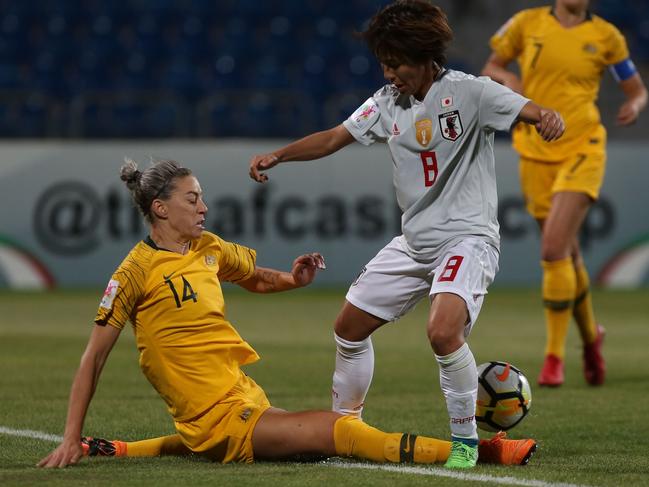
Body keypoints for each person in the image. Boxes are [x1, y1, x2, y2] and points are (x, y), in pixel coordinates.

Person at [38, 158, 536, 469]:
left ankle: (121, 449)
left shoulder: (207, 248)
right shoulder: (134, 272)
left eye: (203, 197)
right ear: (160, 208)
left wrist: (292, 279)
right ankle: (477, 452)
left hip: (241, 397)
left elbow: (253, 276)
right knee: (338, 432)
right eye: (193, 199)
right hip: (218, 418)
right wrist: (66, 438)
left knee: (306, 440)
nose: (204, 207)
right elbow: (94, 357)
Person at [248, 0, 564, 469]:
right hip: (415, 242)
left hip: (468, 239)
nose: (389, 72)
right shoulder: (385, 102)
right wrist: (280, 155)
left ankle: (464, 443)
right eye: (383, 63)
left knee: (442, 331)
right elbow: (335, 136)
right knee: (349, 329)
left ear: (423, 57)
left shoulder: (472, 93)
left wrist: (547, 118)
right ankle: (344, 426)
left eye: (395, 63)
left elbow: (530, 110)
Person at [481, 0, 647, 387]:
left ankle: (553, 357)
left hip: (583, 146)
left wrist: (635, 106)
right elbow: (492, 66)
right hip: (535, 150)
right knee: (568, 254)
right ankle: (592, 339)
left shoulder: (606, 36)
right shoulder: (526, 23)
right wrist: (512, 83)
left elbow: (637, 89)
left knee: (553, 248)